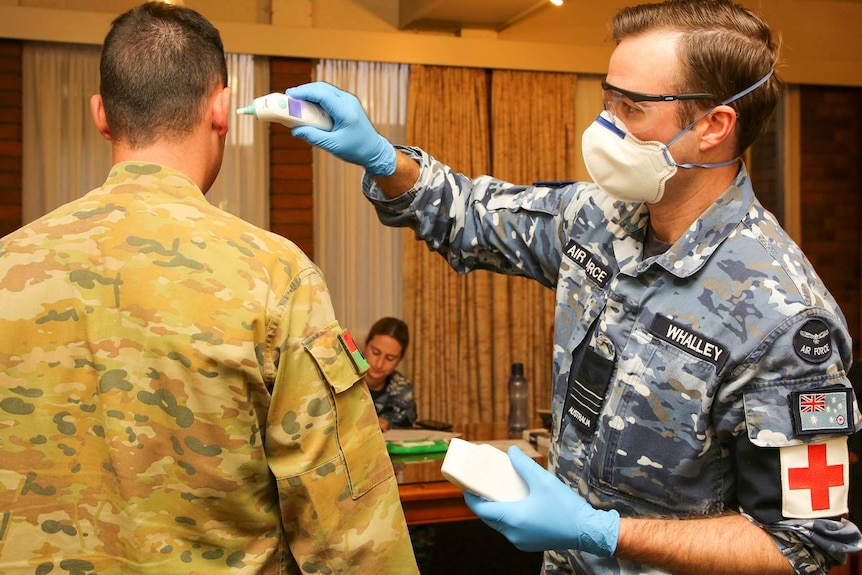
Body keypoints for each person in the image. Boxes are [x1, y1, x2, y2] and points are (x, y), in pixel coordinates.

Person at [284, 0, 862, 573]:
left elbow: (800, 546)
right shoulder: (597, 217)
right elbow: (469, 214)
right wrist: (383, 158)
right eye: (607, 97)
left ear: (713, 125)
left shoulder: (782, 316)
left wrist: (601, 532)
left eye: (632, 108)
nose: (605, 125)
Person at [0, 3, 418, 574]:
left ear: (101, 115)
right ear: (222, 108)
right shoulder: (275, 277)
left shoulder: (7, 265)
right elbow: (351, 539)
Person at [364, 317, 418, 431]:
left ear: (399, 360)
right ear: (365, 344)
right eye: (375, 352)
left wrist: (385, 422)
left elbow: (405, 422)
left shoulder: (402, 388)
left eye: (390, 358)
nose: (379, 364)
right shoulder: (342, 375)